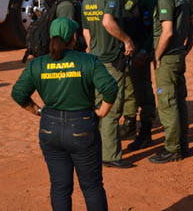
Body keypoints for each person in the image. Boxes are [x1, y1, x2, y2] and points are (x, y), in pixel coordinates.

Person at [11, 17, 118, 211]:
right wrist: (102, 111)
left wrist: (37, 111)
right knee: (92, 186)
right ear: (74, 38)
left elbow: (18, 93)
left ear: (51, 36)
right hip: (82, 127)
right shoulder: (88, 60)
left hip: (49, 128)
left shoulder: (38, 64)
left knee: (60, 187)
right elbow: (110, 89)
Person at [146, 0, 193, 163]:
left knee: (168, 103)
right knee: (179, 100)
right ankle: (182, 145)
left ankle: (172, 149)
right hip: (179, 55)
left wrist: (157, 55)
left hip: (167, 57)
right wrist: (187, 48)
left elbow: (167, 32)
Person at [82, 0, 135, 169]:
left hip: (94, 59)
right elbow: (107, 22)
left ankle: (96, 150)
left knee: (97, 106)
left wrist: (93, 48)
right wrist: (127, 40)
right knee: (112, 107)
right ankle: (111, 155)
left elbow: (86, 31)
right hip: (111, 59)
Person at [119, 0, 159, 150]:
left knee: (143, 90)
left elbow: (155, 29)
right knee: (128, 88)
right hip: (127, 50)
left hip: (141, 50)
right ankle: (129, 125)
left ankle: (146, 131)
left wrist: (145, 50)